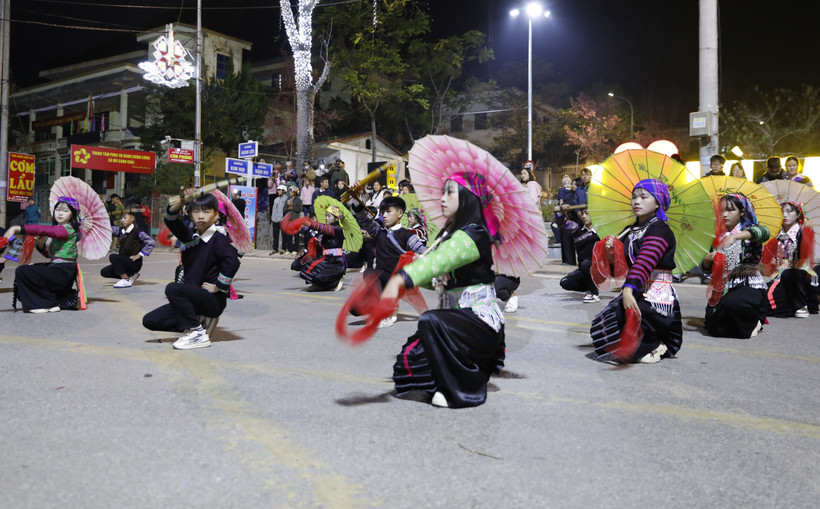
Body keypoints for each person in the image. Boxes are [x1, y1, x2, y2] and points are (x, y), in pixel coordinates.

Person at [383, 174, 506, 408]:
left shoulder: (474, 233)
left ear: (468, 198)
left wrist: (404, 277)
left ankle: (465, 390)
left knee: (429, 321)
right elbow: (436, 278)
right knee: (410, 363)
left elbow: (437, 264)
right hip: (456, 321)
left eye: (450, 192)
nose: (442, 199)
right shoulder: (448, 233)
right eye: (442, 192)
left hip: (477, 323)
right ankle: (459, 372)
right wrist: (415, 266)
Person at [590, 179, 681, 363]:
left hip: (656, 294)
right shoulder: (630, 230)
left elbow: (644, 261)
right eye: (633, 197)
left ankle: (655, 345)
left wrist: (628, 289)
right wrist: (610, 254)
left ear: (657, 202)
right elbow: (620, 268)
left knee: (631, 318)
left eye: (643, 197)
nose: (636, 201)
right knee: (603, 324)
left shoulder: (660, 229)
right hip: (636, 288)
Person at [142, 192, 241, 350]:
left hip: (211, 301)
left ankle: (197, 333)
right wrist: (181, 201)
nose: (201, 216)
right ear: (190, 214)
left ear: (216, 216)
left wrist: (218, 286)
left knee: (172, 288)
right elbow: (171, 220)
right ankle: (199, 325)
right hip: (193, 301)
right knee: (150, 320)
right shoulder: (190, 238)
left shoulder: (218, 239)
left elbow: (233, 262)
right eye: (196, 211)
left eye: (207, 211)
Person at [347, 195, 427, 328]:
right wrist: (356, 198)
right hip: (380, 278)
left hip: (397, 280)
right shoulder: (378, 231)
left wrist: (422, 256)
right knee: (355, 309)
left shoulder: (408, 235)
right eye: (383, 212)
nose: (384, 215)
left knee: (370, 273)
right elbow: (364, 220)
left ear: (400, 213)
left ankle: (388, 313)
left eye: (389, 212)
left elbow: (423, 251)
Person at [701, 193, 770, 338]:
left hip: (748, 283)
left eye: (730, 210)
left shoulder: (750, 230)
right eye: (722, 210)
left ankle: (756, 320)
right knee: (712, 327)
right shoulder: (717, 234)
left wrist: (734, 236)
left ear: (742, 212)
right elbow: (706, 268)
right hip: (723, 284)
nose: (724, 214)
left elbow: (764, 232)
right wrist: (707, 260)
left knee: (732, 304)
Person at [3, 197, 83, 313]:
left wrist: (18, 228)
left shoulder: (68, 230)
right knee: (24, 269)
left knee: (25, 271)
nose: (60, 213)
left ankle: (45, 303)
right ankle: (48, 301)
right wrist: (40, 244)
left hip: (64, 272)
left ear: (72, 214)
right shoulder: (59, 229)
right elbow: (49, 255)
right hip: (57, 269)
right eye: (58, 209)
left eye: (65, 211)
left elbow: (42, 229)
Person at [761, 202, 817, 318]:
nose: (784, 215)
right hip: (780, 275)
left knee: (790, 274)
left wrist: (806, 232)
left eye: (789, 211)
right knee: (764, 300)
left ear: (798, 215)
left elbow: (804, 256)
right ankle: (792, 305)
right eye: (782, 212)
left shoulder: (802, 232)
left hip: (798, 275)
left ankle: (801, 304)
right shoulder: (777, 235)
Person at [289, 206, 346, 292]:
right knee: (300, 267)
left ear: (337, 219)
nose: (326, 218)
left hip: (335, 263)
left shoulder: (336, 230)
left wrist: (305, 222)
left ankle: (336, 281)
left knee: (318, 277)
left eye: (329, 216)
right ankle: (320, 284)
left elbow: (321, 227)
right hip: (325, 259)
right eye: (326, 215)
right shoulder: (325, 233)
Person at [101, 209, 155, 288]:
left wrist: (140, 255)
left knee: (113, 257)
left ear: (132, 218)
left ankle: (125, 279)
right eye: (121, 218)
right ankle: (132, 275)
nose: (122, 220)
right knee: (104, 272)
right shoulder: (120, 231)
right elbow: (107, 229)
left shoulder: (137, 232)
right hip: (123, 262)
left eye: (125, 218)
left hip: (134, 263)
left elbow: (151, 242)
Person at [557, 207, 601, 303]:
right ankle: (590, 287)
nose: (584, 216)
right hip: (584, 269)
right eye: (582, 213)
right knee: (564, 283)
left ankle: (594, 293)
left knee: (586, 264)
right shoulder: (577, 230)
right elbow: (563, 223)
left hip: (600, 269)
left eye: (587, 213)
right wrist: (559, 211)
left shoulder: (602, 231)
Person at [283, 186, 302, 254]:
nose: (290, 193)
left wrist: (293, 206)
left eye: (291, 191)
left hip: (295, 220)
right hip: (288, 220)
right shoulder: (287, 199)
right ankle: (289, 249)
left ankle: (295, 249)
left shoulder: (298, 200)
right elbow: (284, 209)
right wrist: (288, 208)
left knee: (296, 236)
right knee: (289, 236)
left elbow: (299, 209)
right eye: (290, 191)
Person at [269, 184, 287, 255]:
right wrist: (272, 218)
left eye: (280, 190)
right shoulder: (276, 199)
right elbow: (273, 209)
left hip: (282, 220)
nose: (278, 191)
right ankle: (275, 248)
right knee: (275, 235)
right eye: (278, 190)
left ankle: (284, 248)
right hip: (275, 219)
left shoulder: (286, 199)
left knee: (284, 235)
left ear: (284, 191)